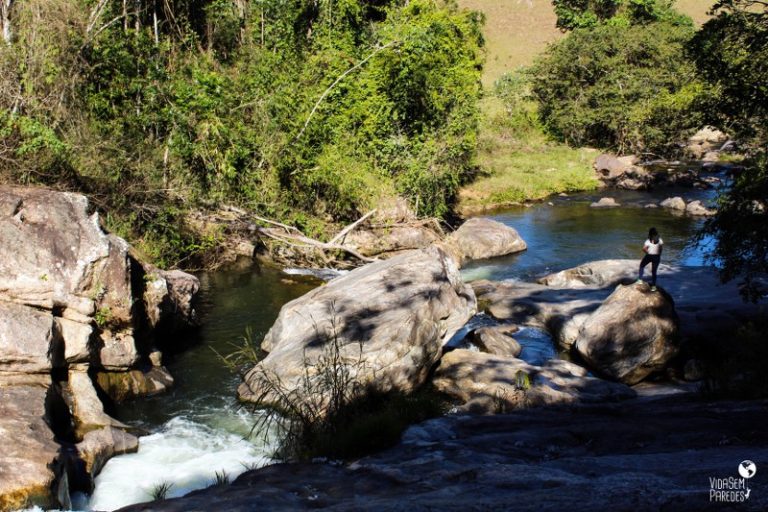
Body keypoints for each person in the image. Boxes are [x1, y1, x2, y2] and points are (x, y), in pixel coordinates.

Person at [637, 227, 663, 291]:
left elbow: (644, 249)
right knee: (654, 272)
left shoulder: (648, 240)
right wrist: (659, 254)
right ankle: (653, 286)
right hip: (656, 257)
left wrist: (647, 252)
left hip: (649, 256)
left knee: (642, 265)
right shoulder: (660, 240)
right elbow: (660, 248)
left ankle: (640, 279)